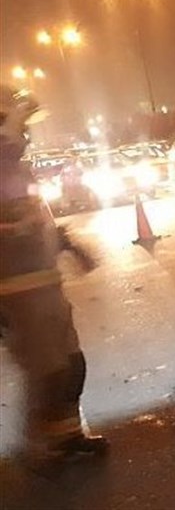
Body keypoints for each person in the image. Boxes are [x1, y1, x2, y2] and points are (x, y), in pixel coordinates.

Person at [0, 85, 108, 463]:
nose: (25, 133)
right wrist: (15, 114)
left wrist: (66, 244)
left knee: (72, 367)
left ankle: (68, 436)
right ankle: (38, 448)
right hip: (17, 296)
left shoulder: (15, 170)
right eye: (19, 125)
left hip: (46, 286)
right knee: (46, 374)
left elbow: (33, 219)